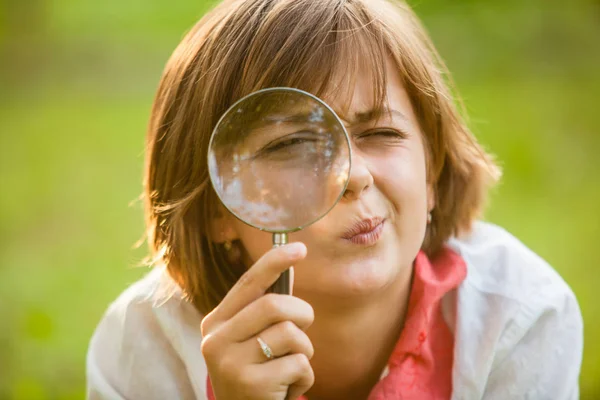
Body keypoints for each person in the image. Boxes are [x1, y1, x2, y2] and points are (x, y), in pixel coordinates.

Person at [86, 0, 584, 399]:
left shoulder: (519, 318)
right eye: (293, 146)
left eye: (383, 132)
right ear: (218, 208)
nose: (354, 177)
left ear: (432, 172)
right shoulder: (145, 344)